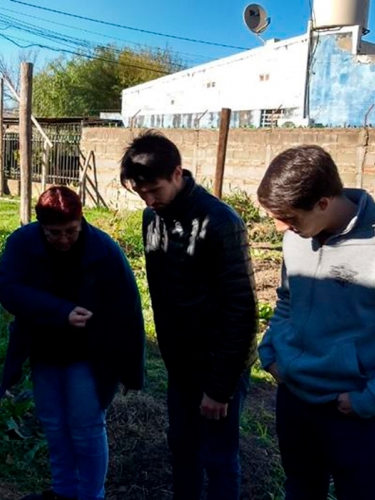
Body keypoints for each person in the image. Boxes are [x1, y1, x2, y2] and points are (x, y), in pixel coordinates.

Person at [119, 131, 257, 500]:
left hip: (217, 366)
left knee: (219, 456)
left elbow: (241, 310)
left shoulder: (221, 222)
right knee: (182, 447)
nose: (149, 200)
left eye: (155, 190)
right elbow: (163, 294)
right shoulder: (153, 219)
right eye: (141, 193)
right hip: (181, 365)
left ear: (178, 173)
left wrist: (219, 388)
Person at [0, 186, 145, 500]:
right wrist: (60, 312)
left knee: (86, 426)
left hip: (91, 353)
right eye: (54, 233)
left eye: (71, 231)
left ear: (82, 220)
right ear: (40, 227)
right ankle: (63, 492)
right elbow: (9, 290)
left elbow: (129, 310)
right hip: (45, 349)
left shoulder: (103, 250)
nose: (63, 239)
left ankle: (91, 495)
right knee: (54, 424)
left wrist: (132, 370)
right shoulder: (22, 244)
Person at [256, 145, 375, 500]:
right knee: (300, 489)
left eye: (290, 218)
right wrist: (271, 350)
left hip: (352, 413)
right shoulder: (296, 239)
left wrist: (368, 399)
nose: (282, 227)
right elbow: (286, 300)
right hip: (294, 398)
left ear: (323, 203)